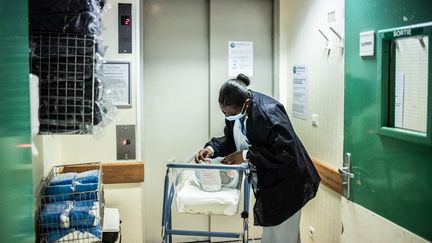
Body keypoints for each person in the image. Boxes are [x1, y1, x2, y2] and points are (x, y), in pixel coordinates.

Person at [195, 74, 320, 243]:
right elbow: (232, 139)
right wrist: (211, 148)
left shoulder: (269, 112)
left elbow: (285, 152)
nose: (227, 116)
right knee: (277, 235)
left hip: (287, 183)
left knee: (282, 236)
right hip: (270, 182)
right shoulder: (237, 114)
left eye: (230, 112)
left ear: (246, 104)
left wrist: (245, 155)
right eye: (223, 112)